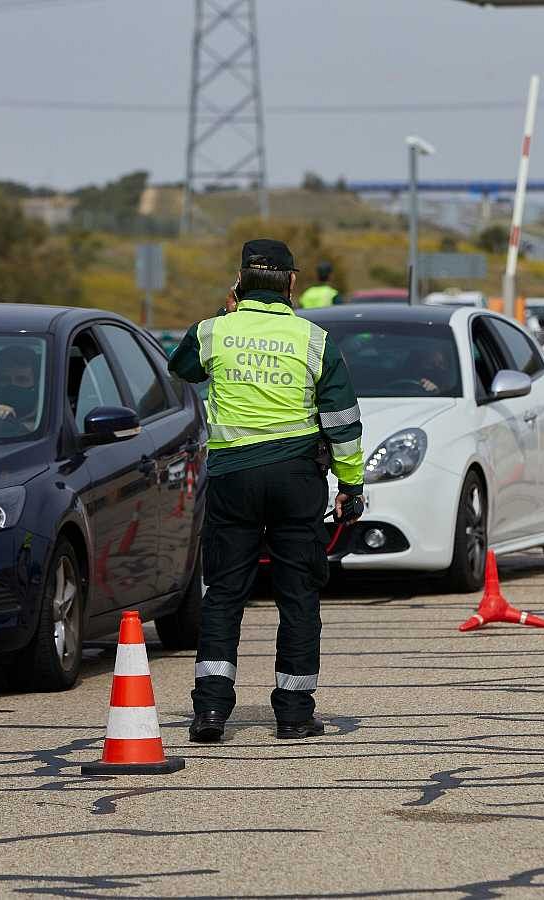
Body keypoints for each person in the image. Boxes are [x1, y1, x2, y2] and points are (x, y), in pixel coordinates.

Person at [168, 239, 365, 742]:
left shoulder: (213, 331)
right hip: (296, 478)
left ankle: (210, 711)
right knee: (298, 596)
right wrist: (351, 484)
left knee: (224, 595)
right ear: (293, 283)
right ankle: (294, 713)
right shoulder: (314, 339)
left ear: (240, 281)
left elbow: (181, 366)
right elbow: (342, 422)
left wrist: (225, 309)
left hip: (233, 479)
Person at [0, 345, 40, 425]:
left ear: (37, 383)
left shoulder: (49, 419)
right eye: (5, 379)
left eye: (22, 380)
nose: (13, 385)